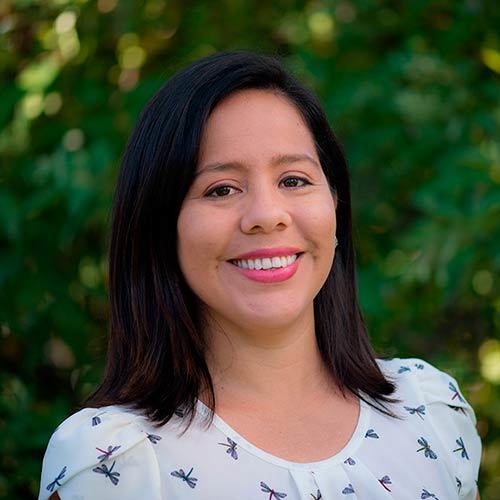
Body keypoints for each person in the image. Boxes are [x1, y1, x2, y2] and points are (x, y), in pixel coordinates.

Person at [38, 51, 481, 500]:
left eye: (293, 180)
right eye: (221, 189)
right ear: (160, 226)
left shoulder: (431, 412)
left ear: (334, 204)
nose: (267, 216)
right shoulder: (114, 461)